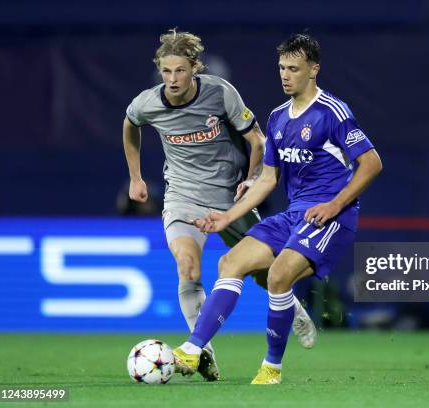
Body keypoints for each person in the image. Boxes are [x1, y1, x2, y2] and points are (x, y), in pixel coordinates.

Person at [172, 33, 382, 384]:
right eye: (282, 67)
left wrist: (335, 204)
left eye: (294, 68)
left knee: (278, 276)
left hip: (330, 215)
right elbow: (268, 179)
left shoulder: (332, 112)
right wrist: (228, 215)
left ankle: (272, 367)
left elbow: (372, 163)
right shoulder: (277, 117)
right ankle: (193, 350)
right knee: (230, 262)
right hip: (293, 214)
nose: (285, 75)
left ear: (314, 70)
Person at [122, 29, 317, 381]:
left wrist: (252, 178)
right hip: (182, 196)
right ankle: (201, 351)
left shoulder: (219, 93)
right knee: (188, 268)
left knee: (267, 271)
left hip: (229, 199)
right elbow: (130, 124)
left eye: (180, 70)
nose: (172, 79)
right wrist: (135, 176)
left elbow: (257, 140)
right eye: (166, 72)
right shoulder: (147, 103)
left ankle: (294, 309)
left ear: (194, 68)